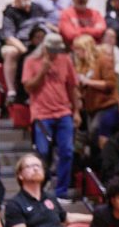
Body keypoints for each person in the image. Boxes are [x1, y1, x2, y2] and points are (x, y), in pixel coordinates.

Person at [21, 32, 79, 199]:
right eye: (52, 50)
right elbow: (28, 88)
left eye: (57, 50)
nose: (55, 53)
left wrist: (76, 111)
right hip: (41, 114)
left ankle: (61, 192)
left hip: (63, 112)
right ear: (45, 47)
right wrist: (43, 70)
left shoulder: (65, 59)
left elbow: (72, 87)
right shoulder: (31, 61)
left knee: (67, 151)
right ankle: (40, 190)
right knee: (42, 153)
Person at [1, 0, 52, 102]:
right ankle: (12, 91)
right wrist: (25, 50)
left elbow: (44, 25)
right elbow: (9, 36)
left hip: (37, 41)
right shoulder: (9, 11)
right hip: (18, 43)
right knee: (11, 52)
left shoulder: (36, 8)